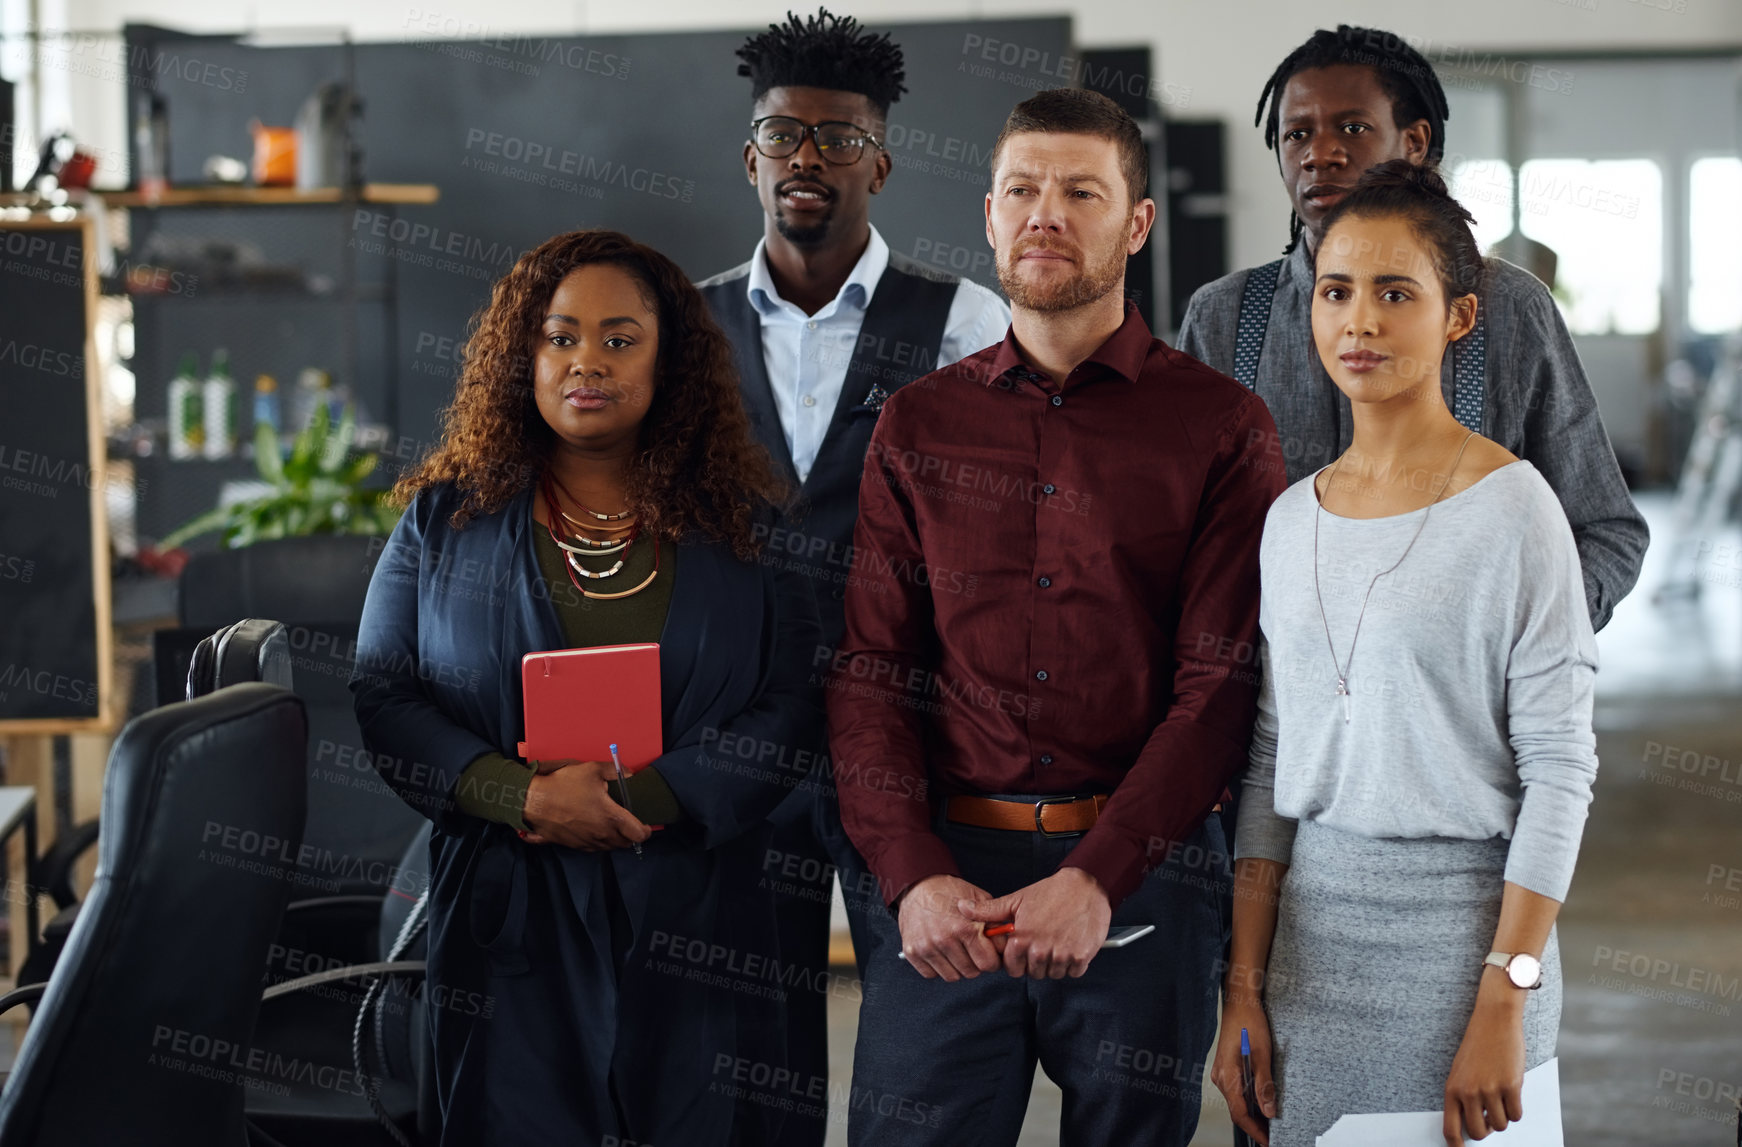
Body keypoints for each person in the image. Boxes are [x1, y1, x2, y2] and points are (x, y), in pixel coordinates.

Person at [828, 88, 1285, 1147]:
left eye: (1080, 191)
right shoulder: (917, 422)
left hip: (1142, 885)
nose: (1045, 213)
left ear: (1134, 223)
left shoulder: (1220, 427)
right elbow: (869, 670)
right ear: (988, 215)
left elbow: (1217, 687)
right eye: (1021, 190)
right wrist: (909, 877)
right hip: (947, 882)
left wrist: (1096, 876)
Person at [350, 229, 823, 1146]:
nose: (585, 362)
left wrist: (641, 797)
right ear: (522, 353)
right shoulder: (444, 520)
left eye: (619, 338)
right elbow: (385, 694)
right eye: (560, 336)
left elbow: (797, 702)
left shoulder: (749, 526)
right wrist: (524, 795)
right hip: (507, 914)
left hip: (701, 903)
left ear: (668, 358)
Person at [1208, 162, 1599, 1147]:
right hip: (1312, 961)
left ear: (1457, 317)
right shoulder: (1288, 520)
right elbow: (1266, 770)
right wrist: (1241, 991)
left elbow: (1558, 772)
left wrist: (1504, 999)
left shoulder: (1515, 510)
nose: (1359, 322)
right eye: (1336, 291)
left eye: (1395, 293)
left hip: (1468, 956)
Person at [695, 10, 1010, 1131]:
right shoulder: (687, 331)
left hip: (909, 733)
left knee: (919, 1049)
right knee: (750, 1053)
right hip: (737, 733)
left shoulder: (965, 323)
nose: (808, 160)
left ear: (878, 157)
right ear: (750, 156)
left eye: (836, 138)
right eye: (783, 137)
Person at [1176, 23, 1646, 633]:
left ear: (1416, 141)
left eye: (1352, 127)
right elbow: (1182, 534)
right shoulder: (1223, 316)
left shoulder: (1510, 307)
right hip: (1276, 711)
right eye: (1297, 134)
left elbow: (1604, 530)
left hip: (1463, 715)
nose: (1320, 152)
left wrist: (1512, 646)